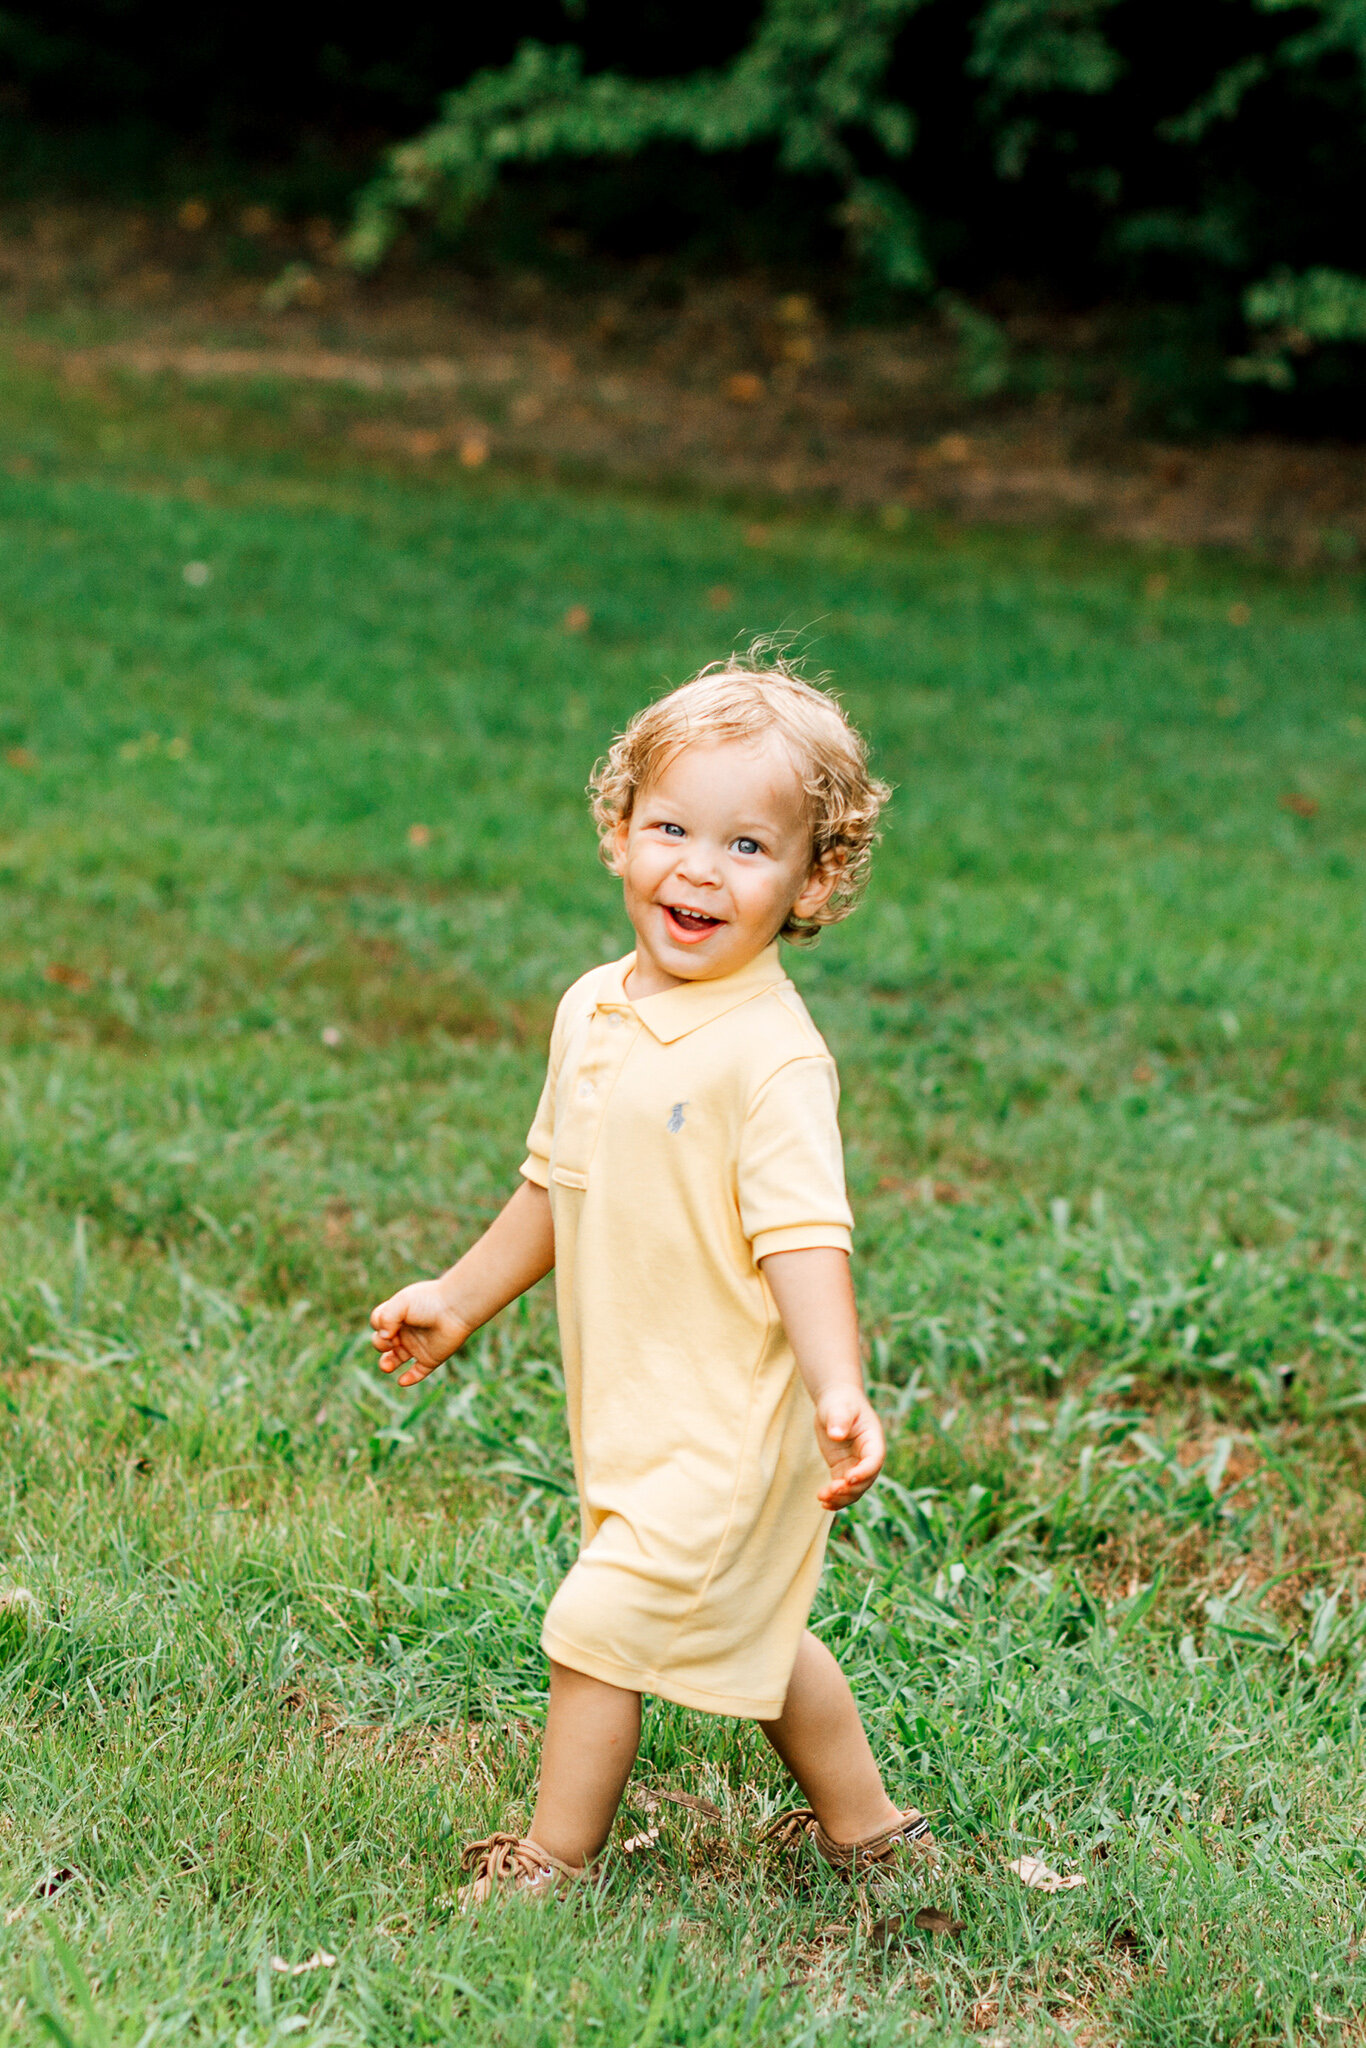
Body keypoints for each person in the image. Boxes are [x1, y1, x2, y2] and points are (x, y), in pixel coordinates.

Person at [369, 654, 936, 1906]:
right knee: (754, 1634)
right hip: (634, 1409)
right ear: (618, 832)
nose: (698, 866)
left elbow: (805, 1236)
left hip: (730, 1421)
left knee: (598, 1628)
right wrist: (460, 1296)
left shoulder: (770, 1057)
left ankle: (549, 1863)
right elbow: (553, 1185)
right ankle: (872, 1826)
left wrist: (840, 1385)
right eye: (671, 826)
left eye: (748, 844)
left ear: (812, 879)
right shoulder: (595, 1007)